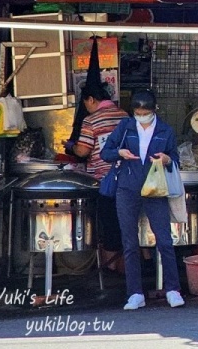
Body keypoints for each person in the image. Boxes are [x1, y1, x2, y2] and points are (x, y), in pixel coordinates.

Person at [100, 89, 184, 311]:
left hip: (155, 189)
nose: (141, 117)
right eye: (137, 113)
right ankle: (135, 293)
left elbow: (176, 159)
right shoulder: (125, 127)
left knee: (164, 240)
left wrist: (167, 159)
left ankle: (173, 290)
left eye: (145, 113)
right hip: (127, 188)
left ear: (154, 110)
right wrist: (120, 153)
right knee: (129, 242)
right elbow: (105, 153)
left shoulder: (165, 130)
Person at [67, 85, 128, 272]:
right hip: (127, 179)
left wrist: (70, 146)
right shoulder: (125, 116)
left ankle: (110, 270)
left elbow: (83, 151)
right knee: (127, 224)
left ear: (91, 99)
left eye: (85, 103)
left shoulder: (91, 120)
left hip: (104, 181)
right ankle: (129, 267)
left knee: (108, 225)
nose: (86, 107)